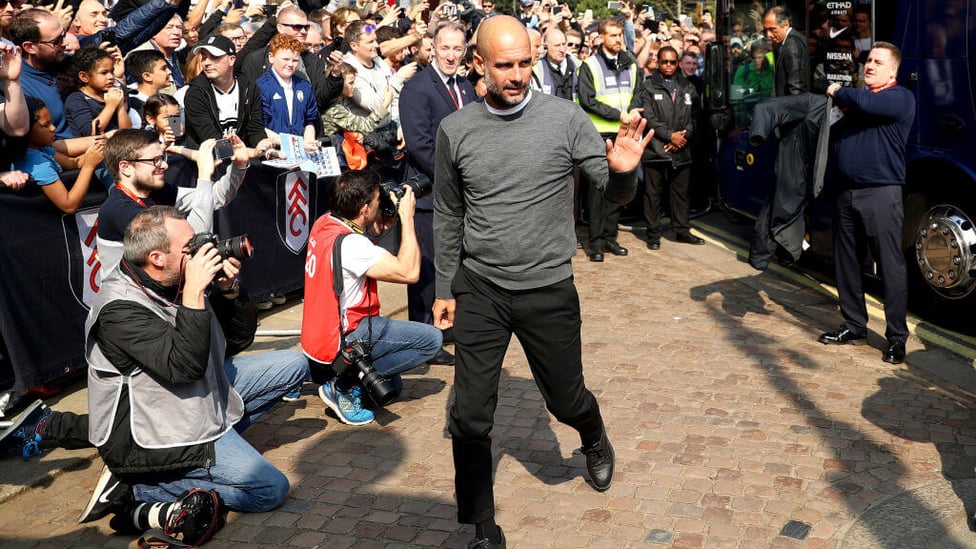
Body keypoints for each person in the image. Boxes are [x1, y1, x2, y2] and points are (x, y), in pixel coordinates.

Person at [431, 16, 650, 548]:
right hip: (480, 287)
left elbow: (613, 194)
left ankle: (593, 435)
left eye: (525, 62)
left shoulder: (566, 119)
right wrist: (443, 289)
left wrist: (622, 171)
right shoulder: (456, 131)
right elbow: (447, 214)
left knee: (565, 399)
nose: (517, 75)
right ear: (478, 63)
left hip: (548, 287)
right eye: (504, 65)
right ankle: (482, 526)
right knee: (469, 413)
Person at [302, 170, 442, 425]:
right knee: (431, 340)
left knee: (393, 384)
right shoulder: (354, 246)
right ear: (364, 209)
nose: (383, 203)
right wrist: (407, 219)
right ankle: (344, 384)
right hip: (348, 334)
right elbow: (409, 272)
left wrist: (378, 227)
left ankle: (340, 374)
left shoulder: (325, 222)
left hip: (321, 331)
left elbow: (353, 250)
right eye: (379, 201)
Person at [819, 42, 914, 365]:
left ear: (893, 71)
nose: (869, 65)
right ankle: (854, 325)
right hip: (846, 193)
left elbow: (862, 102)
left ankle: (897, 338)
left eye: (878, 62)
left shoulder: (898, 98)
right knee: (846, 263)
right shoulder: (857, 101)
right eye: (868, 60)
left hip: (881, 193)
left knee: (890, 266)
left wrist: (836, 89)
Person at [399, 20, 472, 367]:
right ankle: (423, 338)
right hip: (430, 196)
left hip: (459, 197)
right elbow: (420, 146)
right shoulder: (417, 89)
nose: (451, 55)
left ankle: (445, 326)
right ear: (432, 47)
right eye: (445, 47)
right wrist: (456, 178)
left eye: (458, 48)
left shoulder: (467, 87)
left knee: (451, 266)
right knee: (426, 272)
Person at [95, 128, 250, 278]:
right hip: (129, 300)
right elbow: (192, 245)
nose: (164, 165)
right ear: (125, 167)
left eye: (162, 158)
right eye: (155, 160)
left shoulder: (155, 191)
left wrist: (238, 166)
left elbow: (214, 198)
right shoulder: (120, 210)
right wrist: (203, 176)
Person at [577, 18, 640, 262]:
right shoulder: (589, 65)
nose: (617, 39)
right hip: (599, 134)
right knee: (597, 191)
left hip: (624, 133)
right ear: (601, 37)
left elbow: (637, 93)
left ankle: (610, 236)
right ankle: (596, 243)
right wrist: (617, 115)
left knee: (619, 186)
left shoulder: (631, 64)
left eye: (619, 35)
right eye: (612, 35)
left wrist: (633, 110)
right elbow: (587, 99)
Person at [628, 45, 702, 250]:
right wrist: (670, 136)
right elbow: (649, 117)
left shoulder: (687, 86)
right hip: (656, 150)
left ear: (677, 63)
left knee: (681, 194)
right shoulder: (648, 86)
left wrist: (682, 137)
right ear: (658, 63)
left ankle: (682, 230)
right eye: (664, 62)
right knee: (653, 195)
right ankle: (653, 234)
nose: (668, 65)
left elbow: (695, 117)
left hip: (682, 149)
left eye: (672, 62)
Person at [12, 96, 105, 212]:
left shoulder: (43, 148)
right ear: (25, 130)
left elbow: (71, 163)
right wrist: (89, 166)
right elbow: (68, 205)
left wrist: (96, 150)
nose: (53, 128)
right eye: (45, 125)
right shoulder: (38, 165)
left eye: (51, 122)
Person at [184, 34, 268, 148]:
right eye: (204, 57)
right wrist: (248, 153)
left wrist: (264, 149)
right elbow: (210, 139)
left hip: (244, 154)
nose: (206, 63)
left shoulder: (249, 88)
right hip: (210, 159)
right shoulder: (195, 93)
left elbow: (255, 130)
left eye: (214, 57)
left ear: (231, 60)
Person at [9, 9, 73, 139]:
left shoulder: (70, 64)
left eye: (63, 35)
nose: (65, 43)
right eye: (56, 41)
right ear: (30, 47)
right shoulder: (18, 86)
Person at [257, 34, 319, 147]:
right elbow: (261, 128)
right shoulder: (261, 87)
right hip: (274, 150)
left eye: (295, 60)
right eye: (285, 59)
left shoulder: (304, 86)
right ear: (271, 57)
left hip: (301, 150)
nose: (290, 64)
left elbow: (309, 121)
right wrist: (294, 145)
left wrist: (309, 141)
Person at [63, 46, 132, 137]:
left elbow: (128, 133)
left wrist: (120, 107)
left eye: (112, 71)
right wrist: (111, 106)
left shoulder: (110, 94)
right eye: (104, 73)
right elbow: (90, 132)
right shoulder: (76, 99)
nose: (111, 77)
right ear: (84, 77)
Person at [763, 5, 807, 97]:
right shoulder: (787, 42)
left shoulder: (792, 45)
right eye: (766, 30)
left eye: (772, 29)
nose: (768, 35)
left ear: (786, 25)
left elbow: (797, 88)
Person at [532, 27, 576, 100]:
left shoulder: (577, 65)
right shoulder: (537, 69)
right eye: (557, 45)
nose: (562, 49)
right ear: (546, 47)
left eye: (564, 44)